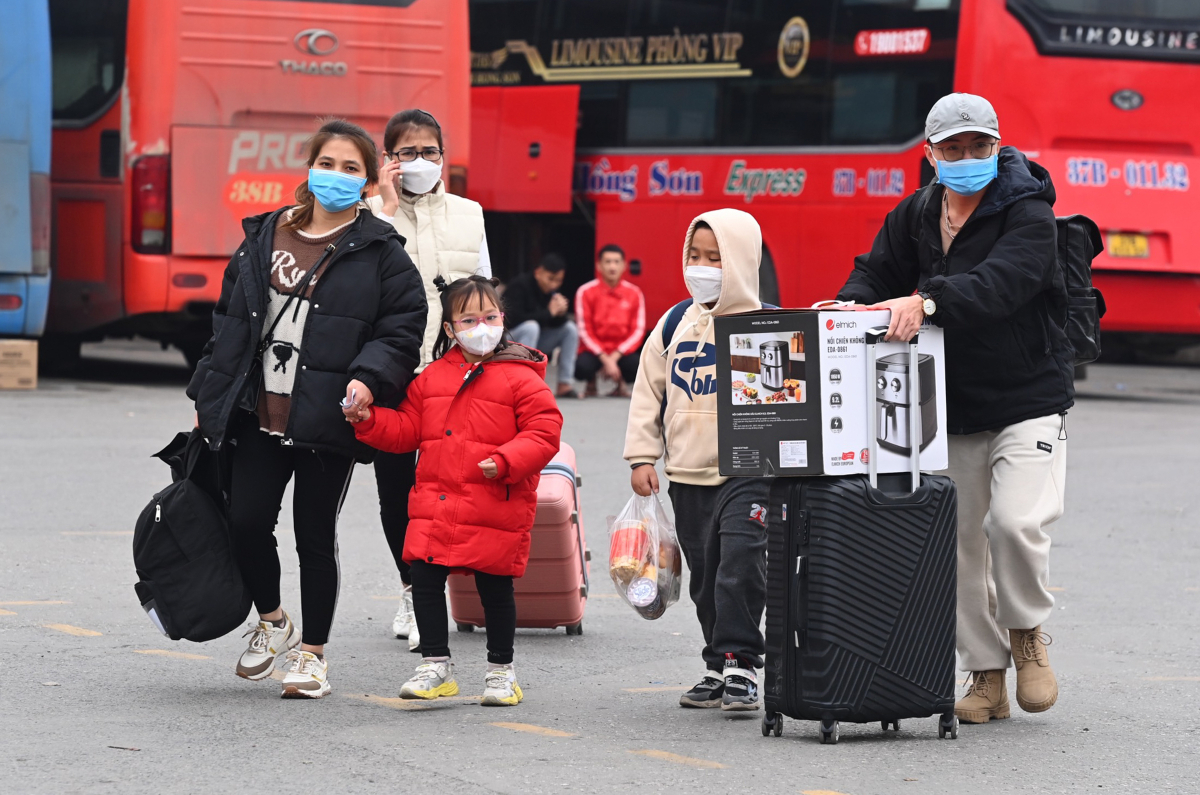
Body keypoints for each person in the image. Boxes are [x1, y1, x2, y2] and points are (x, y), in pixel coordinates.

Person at [837, 93, 1072, 725]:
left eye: (979, 146)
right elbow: (874, 273)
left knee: (1013, 525)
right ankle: (985, 673)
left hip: (1028, 399)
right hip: (949, 406)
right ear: (930, 154)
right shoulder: (917, 212)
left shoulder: (1029, 211)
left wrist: (927, 301)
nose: (967, 157)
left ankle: (1026, 633)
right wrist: (848, 308)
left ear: (997, 145)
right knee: (958, 544)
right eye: (953, 148)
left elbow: (1005, 282)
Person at [187, 118, 427, 699]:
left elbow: (401, 330)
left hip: (328, 419)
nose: (335, 176)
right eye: (327, 164)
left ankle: (313, 654)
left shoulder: (382, 252)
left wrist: (368, 379)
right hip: (257, 412)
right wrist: (208, 396)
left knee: (313, 535)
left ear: (368, 182)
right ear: (310, 168)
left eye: (350, 168)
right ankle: (273, 621)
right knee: (245, 522)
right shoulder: (265, 234)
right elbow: (228, 322)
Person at [344, 275, 562, 706]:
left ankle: (501, 672)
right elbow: (407, 428)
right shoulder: (432, 378)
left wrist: (506, 461)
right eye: (469, 319)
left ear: (503, 319)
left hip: (494, 500)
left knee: (495, 588)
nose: (482, 327)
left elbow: (544, 431)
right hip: (437, 501)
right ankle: (435, 665)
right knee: (424, 580)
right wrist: (370, 421)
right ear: (449, 328)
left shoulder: (522, 377)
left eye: (490, 317)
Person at [624, 209, 770, 712]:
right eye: (695, 255)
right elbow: (647, 394)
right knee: (705, 578)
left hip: (748, 474)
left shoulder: (766, 327)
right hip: (687, 474)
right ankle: (717, 663)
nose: (701, 267)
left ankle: (741, 664)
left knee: (740, 567)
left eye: (715, 258)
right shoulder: (672, 326)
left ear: (742, 261)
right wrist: (642, 457)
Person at [365, 108, 491, 651]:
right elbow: (361, 286)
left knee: (446, 488)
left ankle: (432, 591)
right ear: (388, 159)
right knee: (396, 490)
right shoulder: (370, 213)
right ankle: (411, 587)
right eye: (408, 152)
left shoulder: (470, 213)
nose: (420, 161)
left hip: (453, 373)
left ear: (444, 155)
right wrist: (386, 208)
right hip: (391, 371)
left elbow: (483, 291)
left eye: (429, 151)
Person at [574, 244, 645, 397]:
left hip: (621, 351)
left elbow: (638, 331)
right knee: (582, 367)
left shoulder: (635, 293)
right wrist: (605, 359)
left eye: (616, 262)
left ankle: (620, 384)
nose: (612, 267)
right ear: (598, 266)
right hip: (594, 351)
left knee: (637, 366)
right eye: (608, 262)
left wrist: (615, 357)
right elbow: (584, 331)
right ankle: (591, 383)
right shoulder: (585, 292)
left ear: (624, 265)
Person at [505, 253, 579, 397]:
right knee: (531, 327)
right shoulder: (519, 285)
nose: (553, 284)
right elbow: (513, 319)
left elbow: (552, 322)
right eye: (550, 279)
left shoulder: (552, 292)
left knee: (570, 329)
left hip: (534, 343)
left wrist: (560, 313)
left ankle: (564, 384)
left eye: (558, 280)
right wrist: (549, 312)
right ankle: (525, 382)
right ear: (538, 272)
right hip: (509, 341)